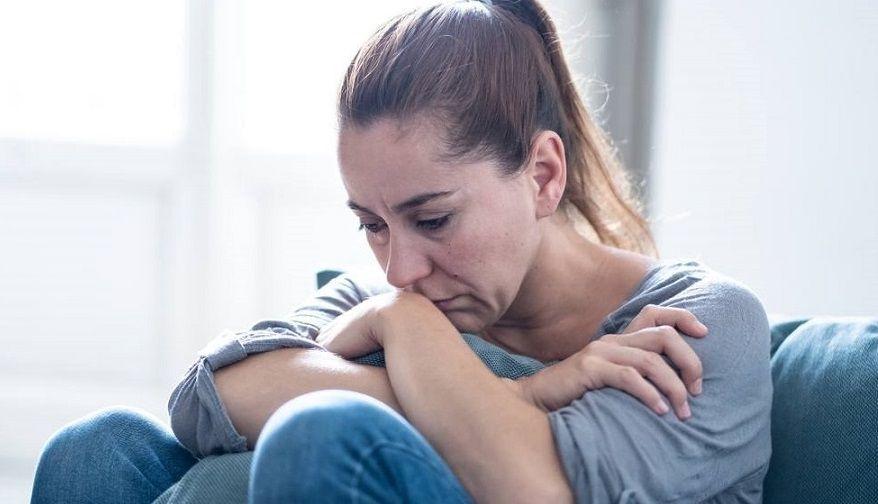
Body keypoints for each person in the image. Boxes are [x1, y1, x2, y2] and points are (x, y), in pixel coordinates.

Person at [30, 1, 772, 503]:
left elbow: (533, 487)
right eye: (372, 224)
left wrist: (408, 338)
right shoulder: (394, 299)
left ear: (543, 175)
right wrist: (517, 391)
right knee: (95, 450)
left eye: (433, 219)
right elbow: (209, 396)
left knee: (321, 435)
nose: (400, 270)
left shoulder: (694, 325)